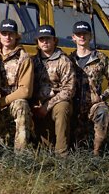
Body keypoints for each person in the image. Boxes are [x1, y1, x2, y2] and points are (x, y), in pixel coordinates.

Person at [69, 21, 109, 156]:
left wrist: (101, 97)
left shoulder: (101, 58)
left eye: (85, 34)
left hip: (93, 104)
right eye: (78, 34)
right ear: (73, 37)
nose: (82, 37)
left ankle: (97, 152)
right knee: (77, 145)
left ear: (90, 36)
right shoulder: (69, 60)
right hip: (74, 104)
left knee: (103, 113)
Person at [0, 19, 34, 153]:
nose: (7, 37)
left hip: (12, 102)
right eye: (4, 33)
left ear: (16, 36)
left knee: (22, 105)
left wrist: (2, 102)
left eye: (11, 34)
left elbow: (25, 90)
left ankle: (21, 155)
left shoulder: (24, 58)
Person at [31, 25, 75, 157]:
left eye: (48, 39)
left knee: (63, 107)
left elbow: (69, 89)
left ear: (54, 40)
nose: (45, 42)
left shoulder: (64, 61)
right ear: (37, 42)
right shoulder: (33, 61)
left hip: (56, 103)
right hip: (37, 104)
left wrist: (47, 106)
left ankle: (62, 154)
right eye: (41, 39)